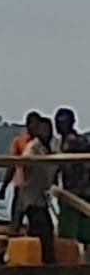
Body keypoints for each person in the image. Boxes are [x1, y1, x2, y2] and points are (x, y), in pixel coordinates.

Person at [15, 116, 56, 263]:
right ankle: (43, 261)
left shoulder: (48, 148)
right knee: (42, 229)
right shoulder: (33, 147)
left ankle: (42, 259)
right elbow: (25, 163)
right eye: (43, 129)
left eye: (48, 129)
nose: (46, 133)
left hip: (41, 196)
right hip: (31, 196)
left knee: (43, 228)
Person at [54, 107, 90, 255]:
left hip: (77, 192)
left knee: (71, 233)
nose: (61, 126)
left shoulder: (72, 142)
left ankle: (71, 260)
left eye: (64, 122)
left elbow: (59, 165)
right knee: (82, 232)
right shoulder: (72, 141)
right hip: (76, 191)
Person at [1, 112, 42, 232]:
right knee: (16, 218)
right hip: (21, 186)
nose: (34, 127)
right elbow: (12, 165)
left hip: (37, 189)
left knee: (37, 221)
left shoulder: (43, 143)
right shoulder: (19, 141)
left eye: (37, 124)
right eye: (31, 124)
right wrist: (4, 187)